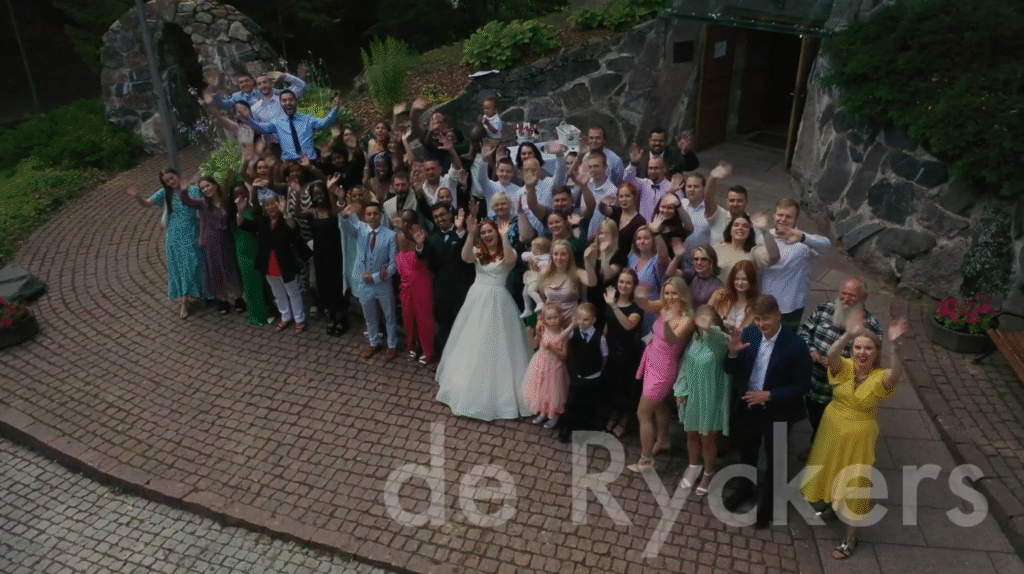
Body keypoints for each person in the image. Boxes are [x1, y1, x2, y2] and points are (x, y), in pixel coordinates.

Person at [801, 313, 908, 560]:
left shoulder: (880, 377)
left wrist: (896, 346)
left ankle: (851, 537)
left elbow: (896, 373)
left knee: (855, 484)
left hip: (859, 438)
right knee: (829, 470)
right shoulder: (846, 367)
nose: (861, 352)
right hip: (832, 429)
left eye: (868, 348)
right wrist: (849, 334)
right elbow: (831, 356)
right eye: (858, 347)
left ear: (876, 353)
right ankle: (830, 505)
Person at [722, 294, 812, 529]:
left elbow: (803, 385)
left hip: (778, 411)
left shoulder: (796, 345)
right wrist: (732, 353)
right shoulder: (749, 335)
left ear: (778, 315)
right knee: (747, 452)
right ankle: (746, 488)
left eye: (767, 319)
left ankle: (770, 504)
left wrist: (770, 394)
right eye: (758, 319)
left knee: (776, 460)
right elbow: (730, 369)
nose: (762, 324)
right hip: (749, 407)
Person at [435, 216, 533, 420]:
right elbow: (465, 258)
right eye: (484, 232)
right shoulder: (478, 250)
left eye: (490, 231)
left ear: (497, 232)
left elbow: (510, 261)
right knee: (473, 340)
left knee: (498, 343)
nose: (487, 235)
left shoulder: (508, 250)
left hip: (499, 299)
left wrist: (505, 238)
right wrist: (471, 234)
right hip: (476, 298)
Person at [797, 277, 883, 460]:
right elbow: (804, 332)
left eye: (852, 295)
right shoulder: (824, 309)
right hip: (814, 381)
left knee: (832, 423)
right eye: (843, 293)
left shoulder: (871, 326)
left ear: (864, 297)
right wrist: (812, 351)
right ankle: (818, 442)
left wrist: (840, 364)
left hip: (842, 390)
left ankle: (819, 450)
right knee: (814, 415)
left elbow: (871, 361)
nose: (846, 299)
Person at [627, 277, 693, 472]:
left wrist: (667, 322)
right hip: (651, 361)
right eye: (667, 293)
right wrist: (640, 293)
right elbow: (643, 303)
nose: (670, 297)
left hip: (664, 369)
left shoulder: (687, 318)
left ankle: (646, 460)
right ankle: (663, 440)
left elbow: (674, 340)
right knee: (661, 405)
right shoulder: (663, 306)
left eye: (674, 293)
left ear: (682, 294)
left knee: (643, 413)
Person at [126, 168, 208, 319]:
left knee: (195, 262)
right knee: (183, 267)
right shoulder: (165, 193)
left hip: (192, 232)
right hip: (175, 235)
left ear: (178, 175)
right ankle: (184, 301)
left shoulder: (194, 190)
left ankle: (201, 292)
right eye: (167, 181)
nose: (171, 182)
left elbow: (204, 210)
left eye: (172, 178)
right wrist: (137, 196)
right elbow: (147, 204)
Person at [674, 305, 732, 497]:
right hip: (693, 394)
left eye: (708, 320)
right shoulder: (695, 337)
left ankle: (708, 473)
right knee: (691, 435)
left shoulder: (721, 341)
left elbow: (718, 337)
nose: (703, 324)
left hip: (711, 397)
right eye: (700, 320)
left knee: (707, 439)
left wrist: (709, 327)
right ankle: (693, 467)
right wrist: (680, 390)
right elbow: (685, 363)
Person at [234, 193, 311, 333]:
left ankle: (299, 319)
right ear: (264, 207)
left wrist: (285, 212)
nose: (271, 207)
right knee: (278, 293)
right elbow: (242, 224)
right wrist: (240, 211)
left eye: (273, 203)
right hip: (268, 263)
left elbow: (293, 228)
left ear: (279, 204)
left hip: (285, 263)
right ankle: (285, 316)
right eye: (267, 205)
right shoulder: (262, 221)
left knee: (293, 292)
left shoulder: (286, 219)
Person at [760, 198, 832, 330]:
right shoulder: (763, 237)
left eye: (788, 216)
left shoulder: (804, 242)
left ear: (796, 219)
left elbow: (827, 246)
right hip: (763, 305)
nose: (783, 219)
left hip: (790, 309)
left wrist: (803, 238)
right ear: (774, 215)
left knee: (786, 343)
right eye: (780, 215)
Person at [417, 202, 474, 364]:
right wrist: (419, 245)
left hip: (461, 290)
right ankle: (444, 361)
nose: (440, 219)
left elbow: (467, 253)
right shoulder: (433, 238)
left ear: (450, 214)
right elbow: (423, 255)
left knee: (462, 327)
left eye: (442, 215)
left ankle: (463, 361)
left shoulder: (462, 233)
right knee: (444, 328)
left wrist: (461, 231)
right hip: (442, 291)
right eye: (436, 217)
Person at [177, 176, 244, 315]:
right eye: (202, 188)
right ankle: (223, 299)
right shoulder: (202, 203)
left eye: (207, 185)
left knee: (231, 266)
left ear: (214, 185)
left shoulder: (226, 200)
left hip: (227, 238)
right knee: (216, 269)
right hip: (211, 241)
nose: (206, 189)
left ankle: (238, 297)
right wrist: (183, 191)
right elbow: (187, 201)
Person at [341, 201, 399, 361]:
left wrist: (375, 277)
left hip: (383, 283)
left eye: (375, 213)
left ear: (380, 215)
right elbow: (345, 227)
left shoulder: (390, 235)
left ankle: (392, 345)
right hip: (364, 284)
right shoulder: (360, 229)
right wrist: (345, 215)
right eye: (369, 214)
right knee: (369, 317)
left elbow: (393, 265)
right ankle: (373, 342)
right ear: (365, 216)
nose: (372, 217)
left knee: (389, 316)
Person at [291, 179, 350, 335]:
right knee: (324, 286)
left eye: (321, 193)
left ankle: (342, 318)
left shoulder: (333, 209)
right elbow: (297, 214)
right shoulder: (313, 212)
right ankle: (332, 317)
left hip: (336, 254)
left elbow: (340, 212)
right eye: (315, 194)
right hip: (320, 255)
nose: (318, 197)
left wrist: (333, 192)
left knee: (337, 286)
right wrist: (297, 194)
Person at [558, 303, 609, 443]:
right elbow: (560, 339)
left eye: (585, 319)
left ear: (593, 320)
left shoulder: (600, 338)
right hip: (577, 376)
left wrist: (598, 370)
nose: (582, 322)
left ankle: (587, 430)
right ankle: (568, 429)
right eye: (579, 318)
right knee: (572, 403)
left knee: (590, 404)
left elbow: (604, 356)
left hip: (593, 377)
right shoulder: (573, 333)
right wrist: (571, 325)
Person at [602, 272, 644, 438]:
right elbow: (607, 325)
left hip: (626, 353)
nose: (623, 286)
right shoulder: (611, 301)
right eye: (621, 281)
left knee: (625, 388)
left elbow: (628, 325)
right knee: (612, 386)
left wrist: (613, 306)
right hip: (611, 349)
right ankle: (614, 414)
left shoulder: (636, 308)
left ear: (634, 285)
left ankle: (625, 420)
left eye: (627, 283)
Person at [248, 90, 340, 162]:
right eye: (284, 100)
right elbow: (260, 127)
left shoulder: (308, 119)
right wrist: (247, 118)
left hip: (309, 160)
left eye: (291, 99)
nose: (288, 102)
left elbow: (323, 124)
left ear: (296, 101)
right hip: (289, 163)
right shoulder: (277, 123)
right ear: (280, 103)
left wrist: (335, 110)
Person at [523, 303, 572, 429]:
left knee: (553, 392)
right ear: (544, 319)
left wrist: (552, 349)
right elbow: (535, 345)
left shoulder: (563, 334)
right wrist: (530, 335)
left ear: (560, 317)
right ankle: (543, 412)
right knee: (541, 389)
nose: (553, 321)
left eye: (555, 317)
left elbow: (564, 355)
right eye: (549, 318)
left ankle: (554, 415)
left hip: (555, 368)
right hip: (540, 365)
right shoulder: (543, 330)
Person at [230, 182, 270, 325]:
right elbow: (239, 224)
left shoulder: (255, 209)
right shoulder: (232, 212)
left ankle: (269, 309)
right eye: (236, 194)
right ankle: (257, 314)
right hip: (244, 252)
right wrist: (240, 211)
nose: (240, 196)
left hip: (257, 249)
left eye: (243, 192)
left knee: (264, 283)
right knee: (251, 284)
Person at [399, 212, 436, 364]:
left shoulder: (423, 236)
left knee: (424, 318)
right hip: (406, 284)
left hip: (422, 282)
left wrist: (420, 243)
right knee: (409, 317)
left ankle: (428, 350)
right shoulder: (399, 237)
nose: (406, 225)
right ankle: (413, 345)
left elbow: (428, 258)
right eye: (404, 221)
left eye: (410, 221)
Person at [536, 239, 597, 327]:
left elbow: (592, 283)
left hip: (572, 325)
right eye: (555, 254)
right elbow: (542, 300)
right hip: (552, 326)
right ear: (551, 255)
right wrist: (540, 319)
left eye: (563, 254)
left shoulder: (577, 273)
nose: (559, 258)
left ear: (569, 256)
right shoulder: (544, 273)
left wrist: (586, 260)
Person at [629, 222, 671, 336]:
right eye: (639, 238)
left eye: (646, 238)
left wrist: (656, 232)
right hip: (634, 310)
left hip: (651, 311)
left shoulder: (657, 261)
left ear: (653, 240)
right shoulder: (632, 258)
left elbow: (663, 254)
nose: (642, 241)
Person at [714, 212, 780, 282]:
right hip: (720, 289)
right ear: (730, 230)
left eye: (745, 226)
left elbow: (774, 257)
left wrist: (764, 231)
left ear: (749, 232)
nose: (740, 228)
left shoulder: (754, 251)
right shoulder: (717, 249)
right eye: (736, 225)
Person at [624, 147, 679, 223]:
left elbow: (679, 211)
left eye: (656, 168)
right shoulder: (643, 184)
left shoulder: (672, 187)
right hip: (643, 227)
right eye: (650, 168)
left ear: (664, 169)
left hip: (663, 227)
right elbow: (627, 180)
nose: (652, 171)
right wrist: (633, 164)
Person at [708, 260, 760, 331]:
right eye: (737, 279)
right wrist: (722, 324)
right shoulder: (720, 295)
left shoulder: (757, 305)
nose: (740, 283)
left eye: (744, 279)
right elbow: (704, 316)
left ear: (751, 281)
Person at [597, 183, 646, 255]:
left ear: (634, 197)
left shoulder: (640, 221)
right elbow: (604, 210)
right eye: (621, 196)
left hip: (624, 258)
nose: (624, 199)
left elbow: (636, 248)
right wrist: (602, 203)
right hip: (607, 255)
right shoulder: (616, 211)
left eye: (627, 196)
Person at [634, 129, 699, 179]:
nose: (657, 143)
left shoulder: (674, 154)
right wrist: (633, 163)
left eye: (661, 141)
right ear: (649, 140)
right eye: (654, 140)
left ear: (666, 141)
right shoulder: (641, 155)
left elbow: (692, 166)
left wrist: (685, 152)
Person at [520, 237, 552, 319]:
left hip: (539, 278)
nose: (531, 248)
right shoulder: (533, 254)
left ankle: (540, 303)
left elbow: (545, 267)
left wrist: (537, 263)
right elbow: (523, 256)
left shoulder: (546, 257)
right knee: (524, 293)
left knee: (531, 290)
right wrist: (530, 258)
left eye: (532, 247)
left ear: (538, 250)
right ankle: (527, 308)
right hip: (532, 276)